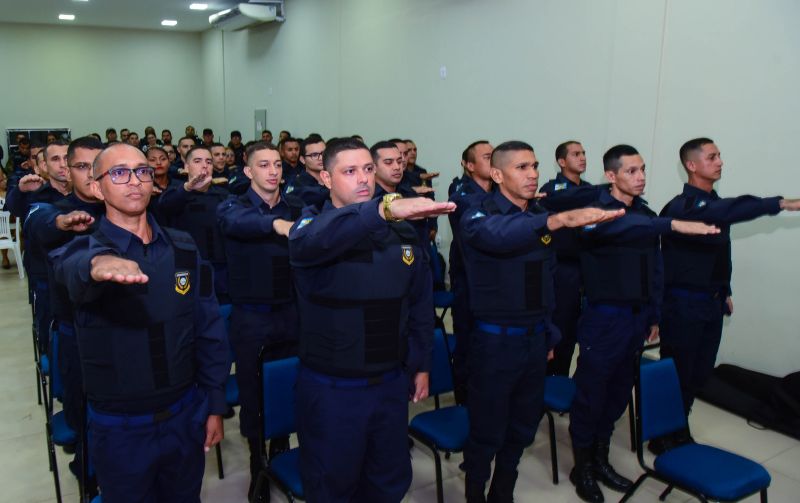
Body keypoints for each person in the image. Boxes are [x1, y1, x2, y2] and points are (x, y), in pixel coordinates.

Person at [50, 142, 229, 503]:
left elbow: (208, 329)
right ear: (97, 187)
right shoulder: (82, 249)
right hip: (121, 429)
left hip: (185, 414)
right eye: (119, 173)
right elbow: (68, 267)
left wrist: (214, 403)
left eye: (143, 171)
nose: (134, 181)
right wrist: (96, 267)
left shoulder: (183, 248)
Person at [288, 137, 455, 502]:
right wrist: (383, 210)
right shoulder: (310, 227)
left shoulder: (402, 234)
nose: (363, 179)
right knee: (333, 485)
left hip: (388, 382)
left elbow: (419, 305)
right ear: (325, 179)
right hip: (333, 388)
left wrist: (421, 363)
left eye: (367, 169)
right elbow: (312, 241)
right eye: (349, 171)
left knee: (388, 480)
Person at [459, 141, 624, 502]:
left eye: (534, 166)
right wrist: (557, 219)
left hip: (534, 342)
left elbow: (547, 281)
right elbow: (497, 236)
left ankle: (502, 494)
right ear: (498, 174)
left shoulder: (538, 214)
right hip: (493, 343)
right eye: (521, 168)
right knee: (486, 432)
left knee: (521, 429)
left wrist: (549, 334)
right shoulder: (477, 213)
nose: (532, 174)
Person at [568, 144, 720, 503]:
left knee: (619, 393)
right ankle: (583, 466)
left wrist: (654, 314)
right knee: (591, 394)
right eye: (631, 171)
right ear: (611, 176)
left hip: (636, 319)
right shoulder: (595, 215)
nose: (640, 177)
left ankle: (601, 457)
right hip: (604, 318)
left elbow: (656, 270)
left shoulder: (647, 216)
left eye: (643, 170)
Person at [652, 137, 800, 452]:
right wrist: (779, 203)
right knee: (677, 371)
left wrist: (724, 288)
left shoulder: (712, 203)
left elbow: (718, 253)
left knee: (700, 370)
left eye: (719, 156)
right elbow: (728, 210)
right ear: (691, 166)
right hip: (683, 304)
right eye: (711, 157)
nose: (720, 161)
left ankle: (678, 428)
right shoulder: (684, 207)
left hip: (710, 301)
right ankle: (663, 436)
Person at [217, 142, 305, 500]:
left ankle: (281, 449)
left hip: (291, 313)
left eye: (278, 165)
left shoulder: (296, 206)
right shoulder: (232, 206)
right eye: (264, 165)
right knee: (253, 392)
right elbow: (237, 223)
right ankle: (258, 461)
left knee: (288, 385)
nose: (273, 171)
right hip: (252, 318)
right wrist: (277, 224)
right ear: (248, 171)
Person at [24, 136, 106, 488]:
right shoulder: (52, 208)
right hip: (78, 334)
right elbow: (37, 222)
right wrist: (62, 223)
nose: (90, 175)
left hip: (121, 330)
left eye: (96, 166)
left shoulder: (128, 206)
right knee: (82, 416)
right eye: (81, 167)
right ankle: (88, 477)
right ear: (67, 171)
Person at [539, 141, 592, 376]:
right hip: (562, 268)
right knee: (559, 325)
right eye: (575, 154)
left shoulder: (589, 189)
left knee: (574, 330)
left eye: (583, 153)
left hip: (586, 268)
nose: (582, 158)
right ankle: (549, 379)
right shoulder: (552, 190)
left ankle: (562, 380)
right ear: (561, 162)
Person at [447, 140, 494, 404]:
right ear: (469, 165)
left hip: (494, 280)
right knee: (467, 338)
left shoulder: (498, 191)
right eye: (487, 157)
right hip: (468, 277)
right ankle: (463, 398)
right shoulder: (462, 192)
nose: (493, 161)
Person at [159, 146, 230, 303]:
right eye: (197, 161)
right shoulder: (175, 193)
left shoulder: (224, 195)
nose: (204, 165)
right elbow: (165, 207)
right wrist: (188, 188)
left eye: (208, 162)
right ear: (186, 166)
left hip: (220, 267)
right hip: (187, 266)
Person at [285, 135, 329, 209]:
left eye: (324, 153)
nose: (321, 158)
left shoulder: (334, 178)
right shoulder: (297, 184)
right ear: (302, 160)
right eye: (314, 155)